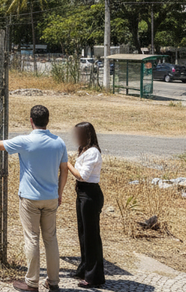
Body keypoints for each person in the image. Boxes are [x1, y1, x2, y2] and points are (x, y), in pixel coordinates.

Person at [0, 105, 68, 292]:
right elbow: (64, 170)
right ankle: (53, 282)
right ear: (48, 121)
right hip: (51, 197)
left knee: (32, 238)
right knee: (51, 239)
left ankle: (32, 282)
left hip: (30, 198)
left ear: (31, 121)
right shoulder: (59, 143)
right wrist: (60, 193)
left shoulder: (26, 141)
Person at [65, 122, 105, 288]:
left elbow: (82, 175)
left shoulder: (93, 152)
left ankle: (94, 276)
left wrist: (66, 164)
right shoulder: (84, 150)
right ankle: (85, 268)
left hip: (90, 194)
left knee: (91, 236)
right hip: (82, 193)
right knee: (83, 233)